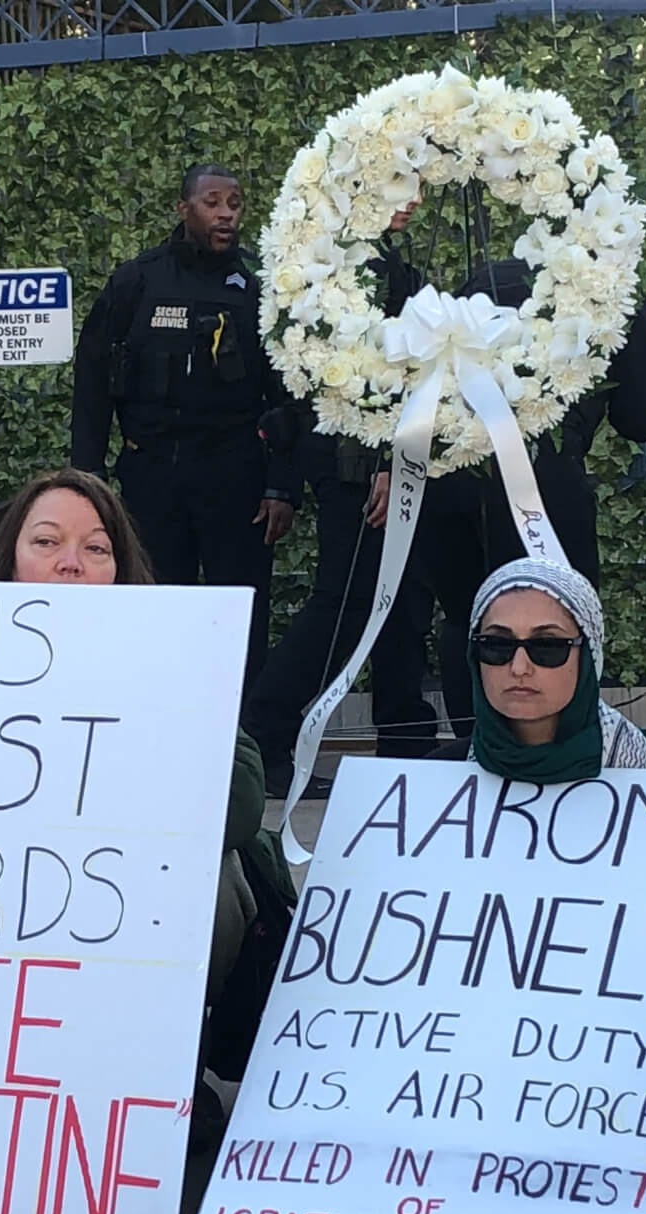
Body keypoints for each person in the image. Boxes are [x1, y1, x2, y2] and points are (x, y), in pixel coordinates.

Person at [0, 466, 298, 1144]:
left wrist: (175, 693)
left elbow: (241, 807)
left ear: (120, 570)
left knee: (211, 883)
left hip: (123, 896)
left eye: (97, 549)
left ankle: (158, 1076)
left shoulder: (175, 655)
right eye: (47, 542)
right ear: (8, 556)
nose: (71, 564)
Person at [412, 259, 646, 738]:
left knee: (466, 619)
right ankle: (556, 757)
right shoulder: (614, 293)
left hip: (450, 466)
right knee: (557, 620)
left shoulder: (486, 278)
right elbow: (643, 416)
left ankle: (478, 756)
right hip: (545, 480)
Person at [71, 163, 299, 689]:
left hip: (237, 481)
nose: (225, 214)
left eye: (235, 203)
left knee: (241, 618)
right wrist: (87, 478)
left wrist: (283, 485)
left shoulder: (258, 290)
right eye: (212, 202)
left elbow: (286, 394)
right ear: (183, 209)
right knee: (154, 609)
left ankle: (244, 744)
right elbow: (92, 382)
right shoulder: (136, 281)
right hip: (153, 476)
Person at [243, 199, 443, 796]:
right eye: (396, 190)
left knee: (403, 604)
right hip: (353, 460)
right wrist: (386, 463)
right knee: (346, 604)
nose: (409, 203)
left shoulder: (379, 264)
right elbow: (354, 379)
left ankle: (405, 741)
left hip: (380, 457)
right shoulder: (341, 270)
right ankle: (265, 734)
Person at [432, 555, 646, 777]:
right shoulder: (434, 784)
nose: (519, 667)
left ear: (588, 657)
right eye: (497, 645)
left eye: (547, 646)